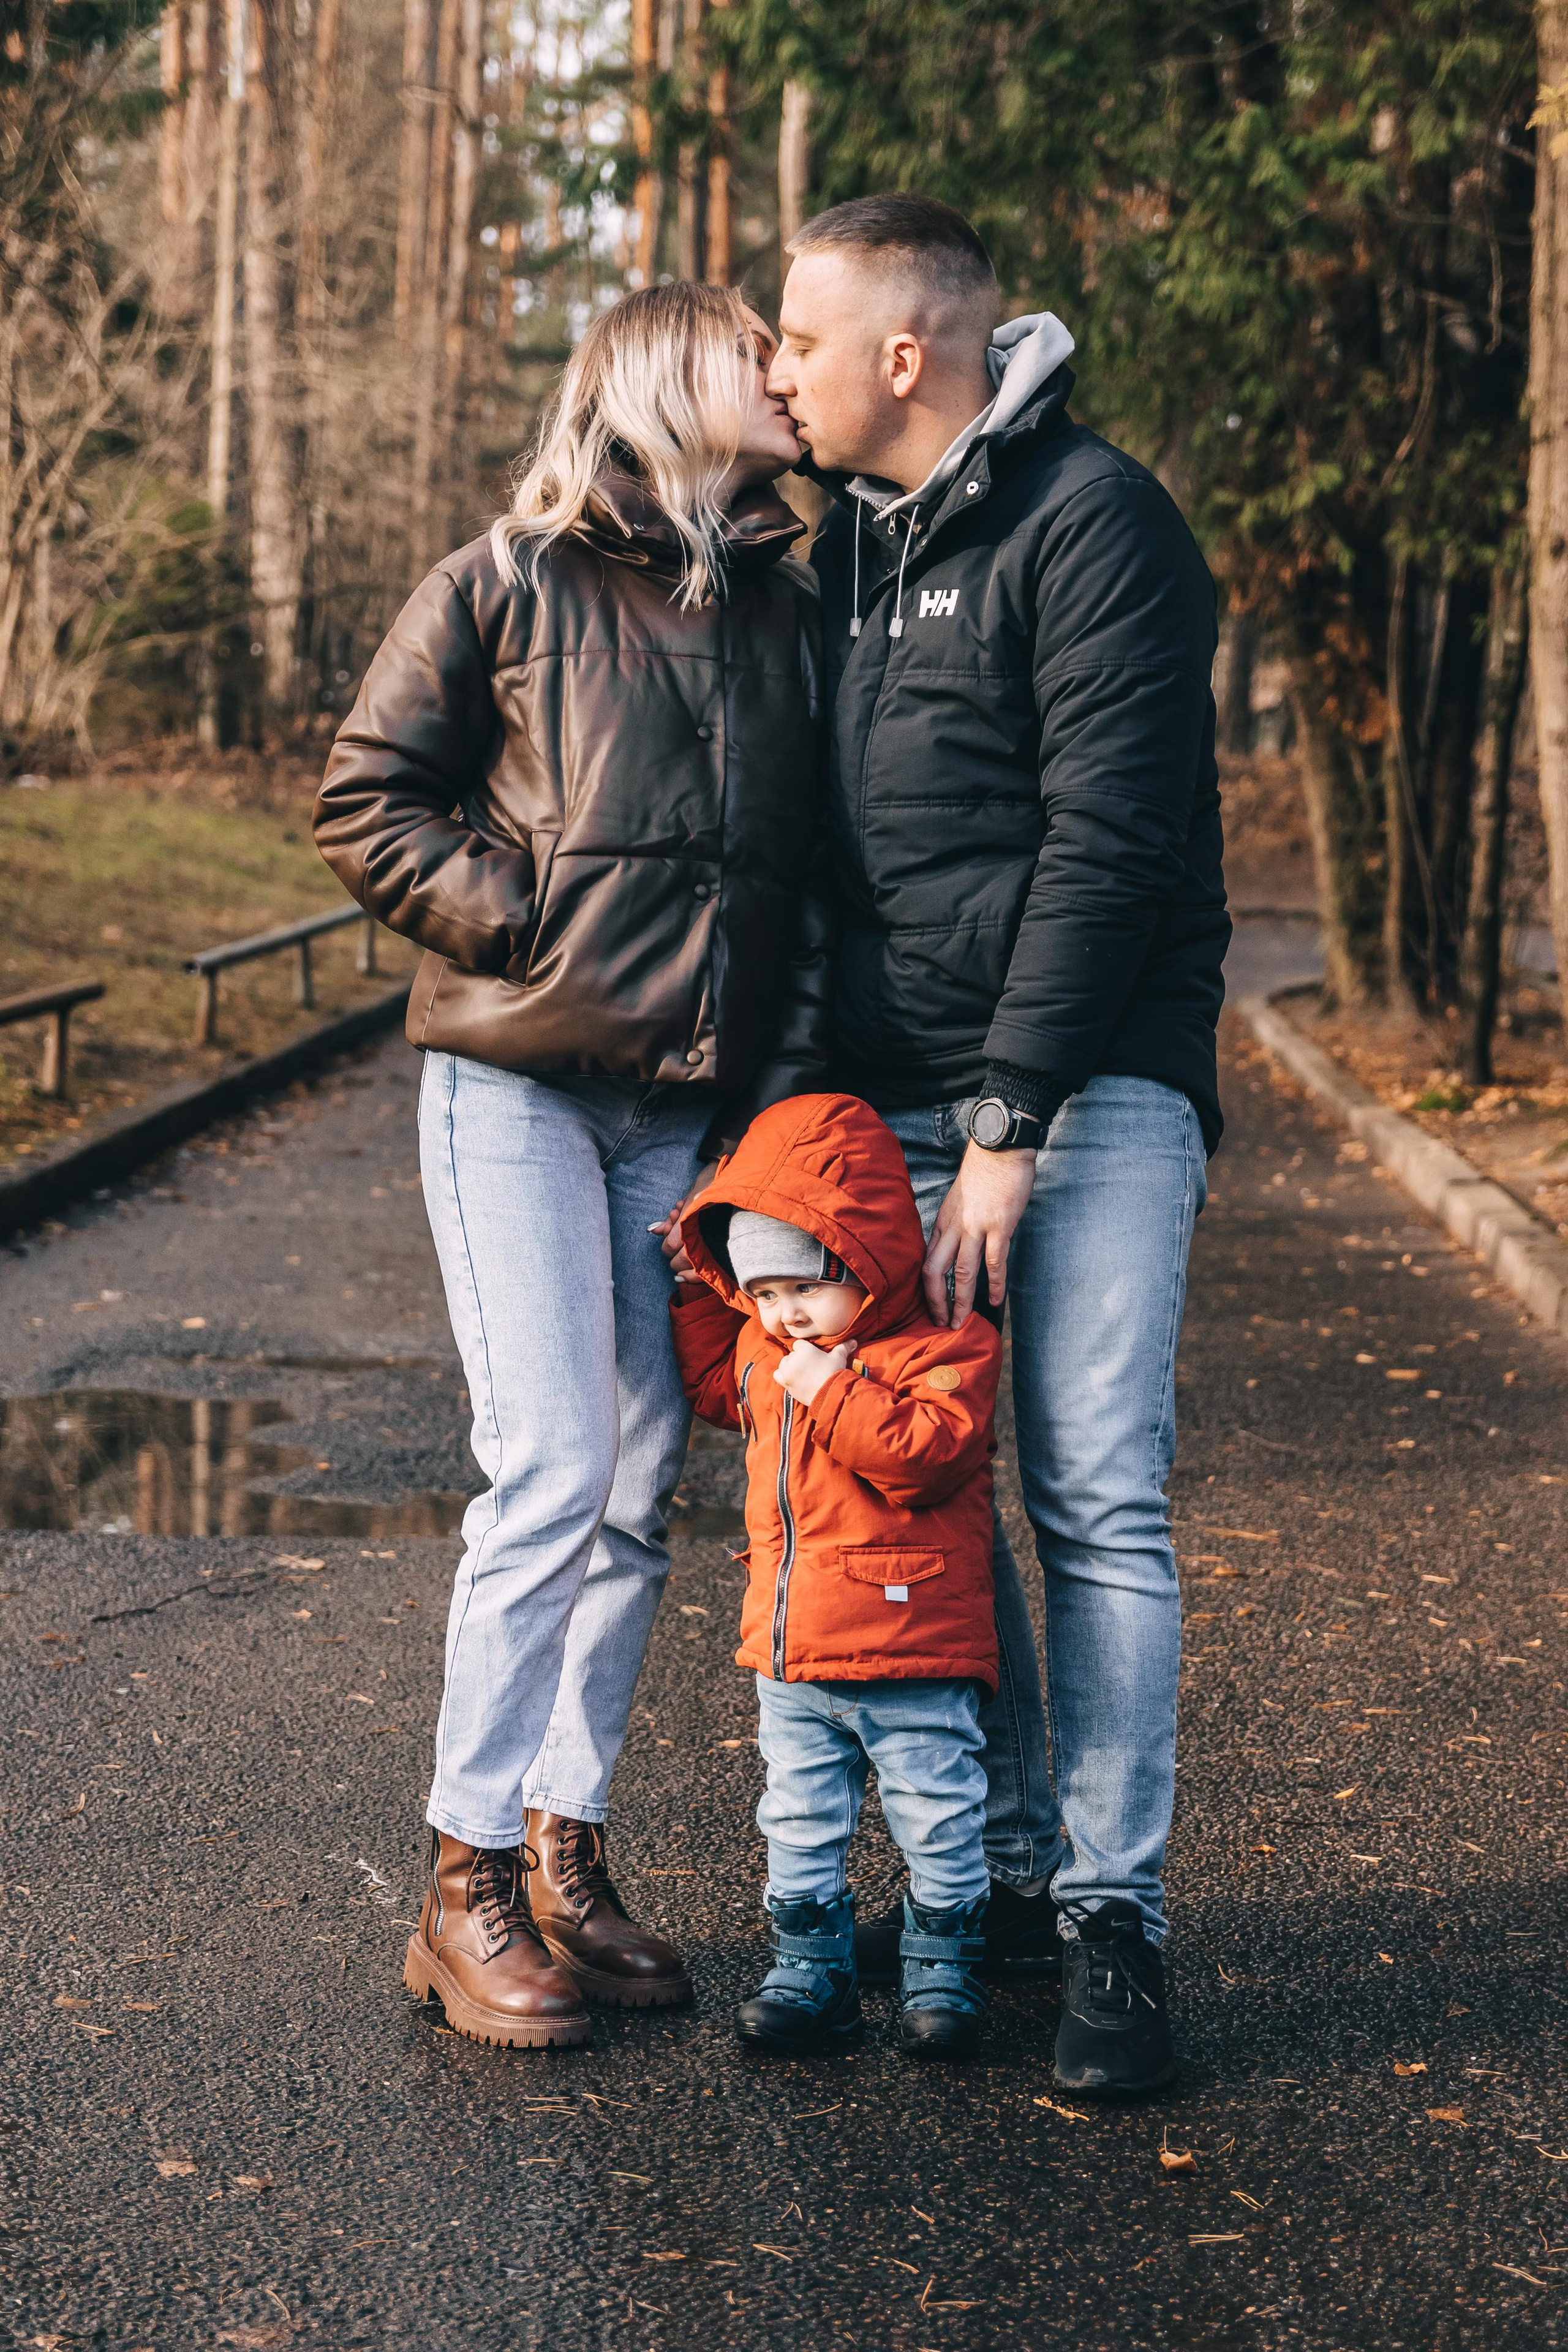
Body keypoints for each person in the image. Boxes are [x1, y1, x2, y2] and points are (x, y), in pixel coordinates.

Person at [314, 282, 830, 2051]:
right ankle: (457, 1883)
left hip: (678, 1118)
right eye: (751, 348)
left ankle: (562, 1850)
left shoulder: (783, 601)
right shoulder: (504, 579)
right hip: (520, 1091)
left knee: (630, 1481)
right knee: (545, 1465)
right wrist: (517, 923)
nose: (782, 371)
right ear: (660, 377)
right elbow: (368, 794)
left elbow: (798, 868)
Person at [766, 194, 1231, 2096]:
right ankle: (1018, 1873)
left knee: (1096, 1492)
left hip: (1086, 1088)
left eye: (798, 336)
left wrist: (1015, 1120)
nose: (773, 368)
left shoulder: (1093, 521)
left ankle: (1117, 1917)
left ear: (906, 354)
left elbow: (1109, 841)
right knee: (933, 1486)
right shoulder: (839, 553)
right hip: (892, 1105)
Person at [670, 1091, 1004, 2059]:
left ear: (868, 1261)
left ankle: (942, 1973)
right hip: (795, 1649)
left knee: (938, 1815)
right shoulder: (768, 1348)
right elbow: (711, 1388)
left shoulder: (946, 1344)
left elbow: (927, 1453)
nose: (784, 1314)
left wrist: (832, 1385)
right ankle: (809, 1971)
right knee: (799, 1819)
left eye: (806, 1288)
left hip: (913, 1651)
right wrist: (698, 1289)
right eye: (763, 1294)